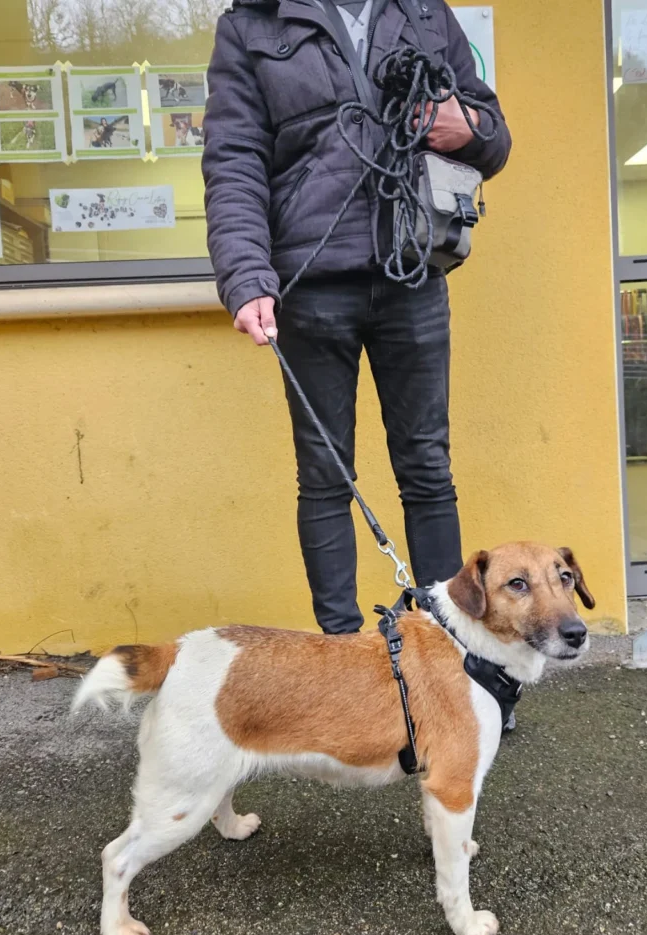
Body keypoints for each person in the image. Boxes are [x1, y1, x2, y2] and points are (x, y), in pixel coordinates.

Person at [202, 0, 512, 637]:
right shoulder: (250, 24)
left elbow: (494, 135)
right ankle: (341, 653)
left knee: (427, 468)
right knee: (324, 478)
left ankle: (448, 650)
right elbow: (233, 159)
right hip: (310, 284)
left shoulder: (425, 13)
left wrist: (470, 128)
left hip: (414, 272)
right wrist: (245, 275)